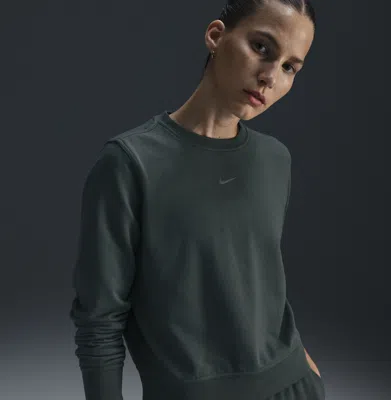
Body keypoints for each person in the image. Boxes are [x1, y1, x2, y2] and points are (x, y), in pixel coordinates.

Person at [69, 0, 324, 399]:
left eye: (290, 67)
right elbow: (99, 320)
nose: (270, 76)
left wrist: (301, 365)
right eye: (261, 47)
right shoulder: (130, 163)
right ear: (216, 36)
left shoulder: (275, 159)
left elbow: (255, 282)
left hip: (293, 386)